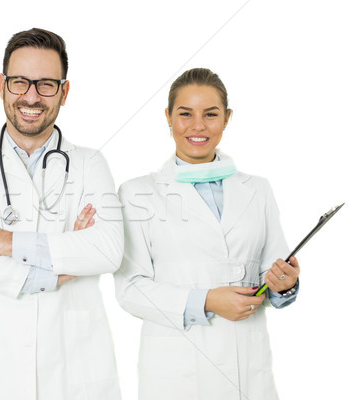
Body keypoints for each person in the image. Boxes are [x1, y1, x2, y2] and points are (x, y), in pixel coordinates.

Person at [0, 28, 123, 400]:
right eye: (20, 82)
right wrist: (57, 267)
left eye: (46, 85)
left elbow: (107, 251)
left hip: (70, 366)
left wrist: (3, 241)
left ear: (64, 92)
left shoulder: (90, 163)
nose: (32, 97)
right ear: (2, 85)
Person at [115, 68, 300, 400]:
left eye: (211, 114)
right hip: (178, 374)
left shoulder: (257, 190)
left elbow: (271, 274)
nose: (198, 125)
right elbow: (130, 289)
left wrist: (284, 285)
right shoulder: (137, 193)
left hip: (249, 368)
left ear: (227, 118)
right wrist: (208, 301)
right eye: (185, 114)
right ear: (169, 117)